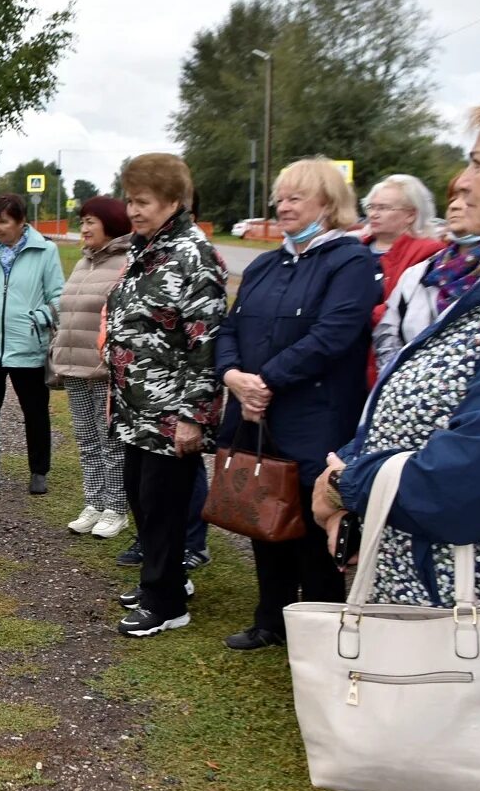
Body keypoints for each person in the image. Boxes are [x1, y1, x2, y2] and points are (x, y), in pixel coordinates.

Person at [313, 98, 480, 791]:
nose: (462, 178)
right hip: (441, 609)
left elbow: (465, 482)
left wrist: (347, 484)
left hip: (478, 624)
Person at [214, 157, 379, 650]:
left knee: (313, 526)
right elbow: (230, 328)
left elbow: (334, 335)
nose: (282, 206)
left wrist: (263, 381)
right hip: (257, 417)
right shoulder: (265, 264)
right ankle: (272, 620)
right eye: (279, 198)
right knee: (263, 518)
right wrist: (233, 377)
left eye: (295, 198)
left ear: (327, 205)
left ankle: (324, 631)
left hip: (316, 419)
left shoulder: (352, 262)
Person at [104, 154, 226, 638]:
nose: (133, 210)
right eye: (130, 200)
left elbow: (206, 341)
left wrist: (194, 416)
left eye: (144, 202)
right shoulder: (147, 249)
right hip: (137, 409)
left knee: (164, 506)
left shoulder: (194, 255)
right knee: (143, 500)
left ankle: (167, 601)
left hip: (171, 413)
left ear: (174, 202)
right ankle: (159, 579)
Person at [0, 193, 64, 496]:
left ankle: (38, 472)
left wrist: (38, 319)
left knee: (35, 412)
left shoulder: (46, 251)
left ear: (22, 222)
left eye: (3, 221)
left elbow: (58, 296)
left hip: (28, 347)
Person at [50, 196, 133, 538]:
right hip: (73, 365)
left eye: (89, 222)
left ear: (110, 225)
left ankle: (116, 508)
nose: (82, 228)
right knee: (86, 439)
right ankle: (94, 503)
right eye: (81, 221)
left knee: (110, 441)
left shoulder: (126, 262)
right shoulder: (83, 263)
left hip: (103, 370)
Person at [373, 169, 480, 371]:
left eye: (467, 196)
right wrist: (400, 376)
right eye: (452, 197)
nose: (455, 205)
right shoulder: (421, 273)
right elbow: (387, 331)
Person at [361, 174, 445, 382]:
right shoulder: (355, 248)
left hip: (390, 362)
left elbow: (412, 313)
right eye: (371, 207)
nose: (374, 214)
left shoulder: (429, 253)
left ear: (410, 215)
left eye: (384, 208)